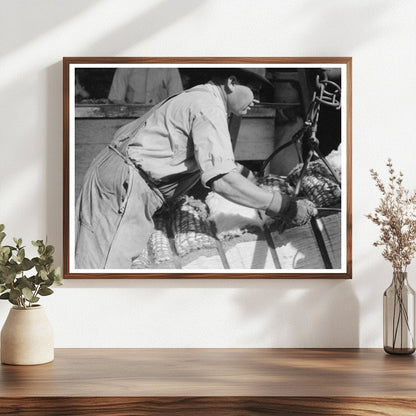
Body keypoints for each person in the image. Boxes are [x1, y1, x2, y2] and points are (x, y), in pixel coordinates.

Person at [75, 68, 317, 269]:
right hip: (124, 185)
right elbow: (223, 182)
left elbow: (212, 162)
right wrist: (283, 206)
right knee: (103, 271)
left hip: (117, 177)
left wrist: (250, 177)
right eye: (254, 91)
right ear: (232, 83)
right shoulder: (208, 106)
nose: (257, 100)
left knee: (94, 262)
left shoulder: (199, 97)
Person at [108, 68, 183, 105]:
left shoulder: (170, 68)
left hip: (160, 123)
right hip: (131, 124)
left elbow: (176, 102)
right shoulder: (125, 67)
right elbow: (116, 99)